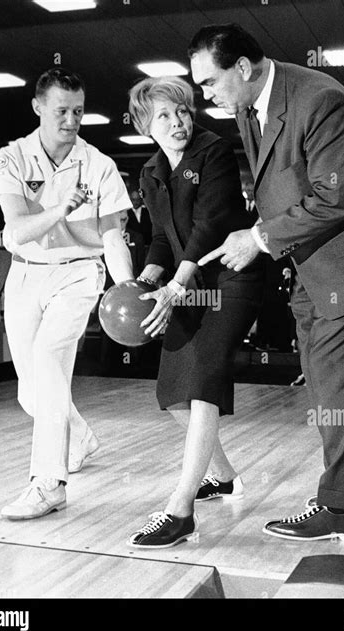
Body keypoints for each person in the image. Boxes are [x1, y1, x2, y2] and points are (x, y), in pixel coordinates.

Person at [190, 23, 344, 542]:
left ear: (242, 68)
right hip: (316, 259)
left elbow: (335, 198)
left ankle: (343, 508)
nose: (206, 95)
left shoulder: (321, 101)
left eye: (208, 83)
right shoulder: (249, 106)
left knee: (339, 374)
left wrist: (260, 238)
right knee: (324, 369)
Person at [0, 67, 134, 520]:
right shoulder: (11, 158)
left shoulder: (100, 165)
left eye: (79, 111)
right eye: (62, 111)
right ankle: (79, 435)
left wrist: (126, 287)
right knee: (31, 393)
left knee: (50, 361)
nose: (72, 120)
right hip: (26, 274)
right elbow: (16, 229)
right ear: (38, 108)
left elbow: (112, 239)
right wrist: (58, 208)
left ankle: (48, 483)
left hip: (79, 274)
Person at [126, 76, 263, 548]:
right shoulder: (150, 173)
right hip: (186, 283)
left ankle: (179, 510)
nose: (178, 122)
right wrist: (147, 279)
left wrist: (178, 282)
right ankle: (223, 477)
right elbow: (164, 237)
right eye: (164, 115)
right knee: (173, 393)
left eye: (182, 111)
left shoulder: (215, 152)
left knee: (204, 378)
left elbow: (210, 224)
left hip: (231, 277)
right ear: (147, 126)